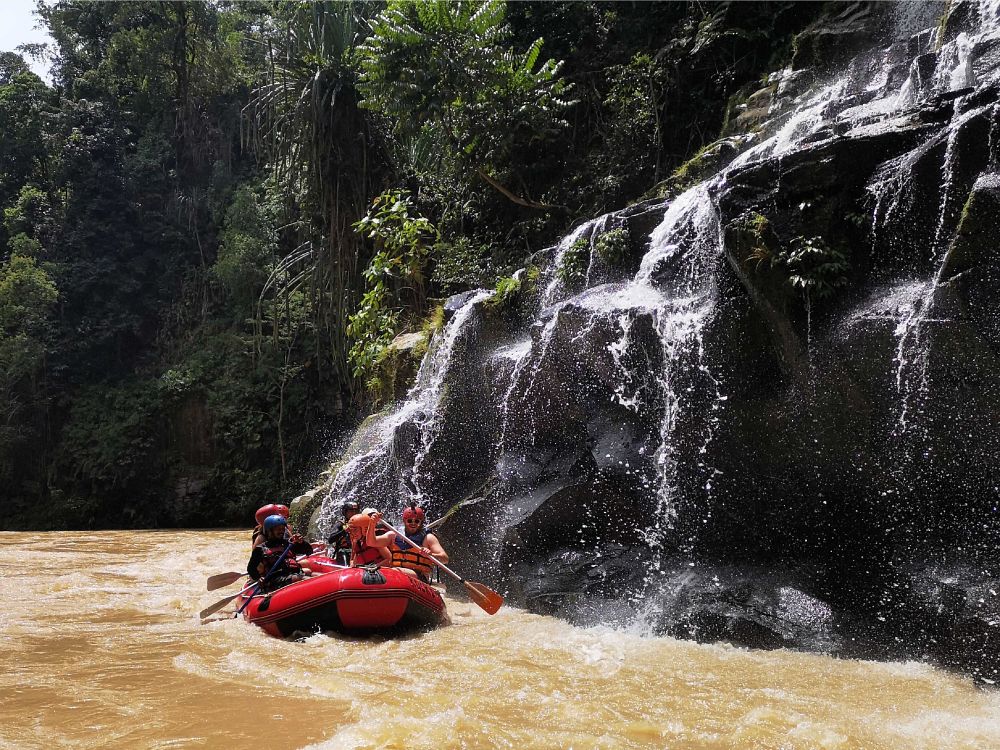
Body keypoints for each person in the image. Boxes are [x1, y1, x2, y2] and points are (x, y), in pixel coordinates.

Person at [247, 514, 314, 592]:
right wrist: (259, 578)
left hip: (295, 574)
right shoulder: (260, 549)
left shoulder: (289, 544)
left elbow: (309, 551)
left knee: (315, 575)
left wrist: (301, 542)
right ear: (270, 531)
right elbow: (251, 568)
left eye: (282, 529)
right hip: (275, 580)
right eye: (278, 529)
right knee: (301, 579)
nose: (281, 531)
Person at [390, 503, 448, 582]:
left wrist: (430, 555)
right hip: (398, 573)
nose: (413, 523)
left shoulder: (428, 537)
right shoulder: (396, 535)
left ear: (421, 522)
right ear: (404, 521)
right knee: (392, 571)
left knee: (394, 571)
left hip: (419, 576)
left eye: (417, 521)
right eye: (410, 521)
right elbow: (372, 542)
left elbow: (445, 559)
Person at [326, 500, 360, 565]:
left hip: (357, 550)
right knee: (344, 554)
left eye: (356, 511)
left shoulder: (361, 523)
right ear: (345, 512)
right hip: (344, 551)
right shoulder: (340, 524)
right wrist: (344, 531)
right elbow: (330, 540)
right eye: (351, 511)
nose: (354, 513)